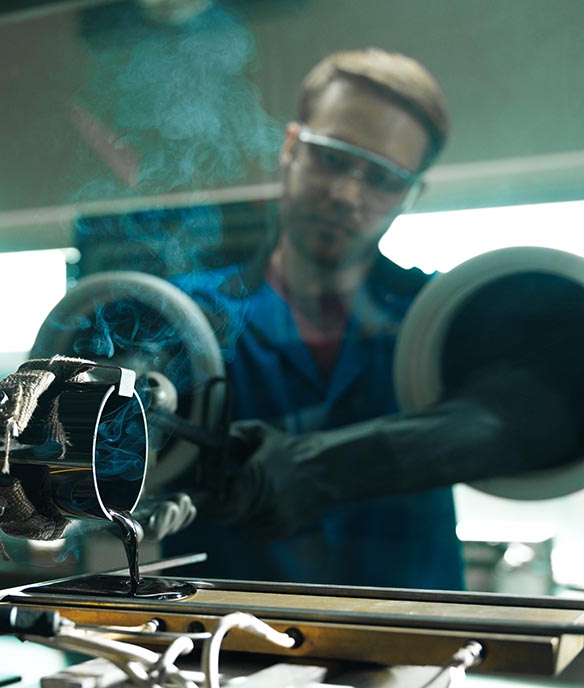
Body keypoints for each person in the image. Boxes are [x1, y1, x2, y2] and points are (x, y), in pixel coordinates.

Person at [161, 47, 582, 589]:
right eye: (332, 158)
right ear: (293, 147)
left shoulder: (444, 320)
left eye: (381, 178)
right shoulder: (181, 316)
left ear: (410, 194)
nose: (345, 194)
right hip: (216, 652)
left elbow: (557, 406)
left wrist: (317, 469)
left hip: (415, 649)